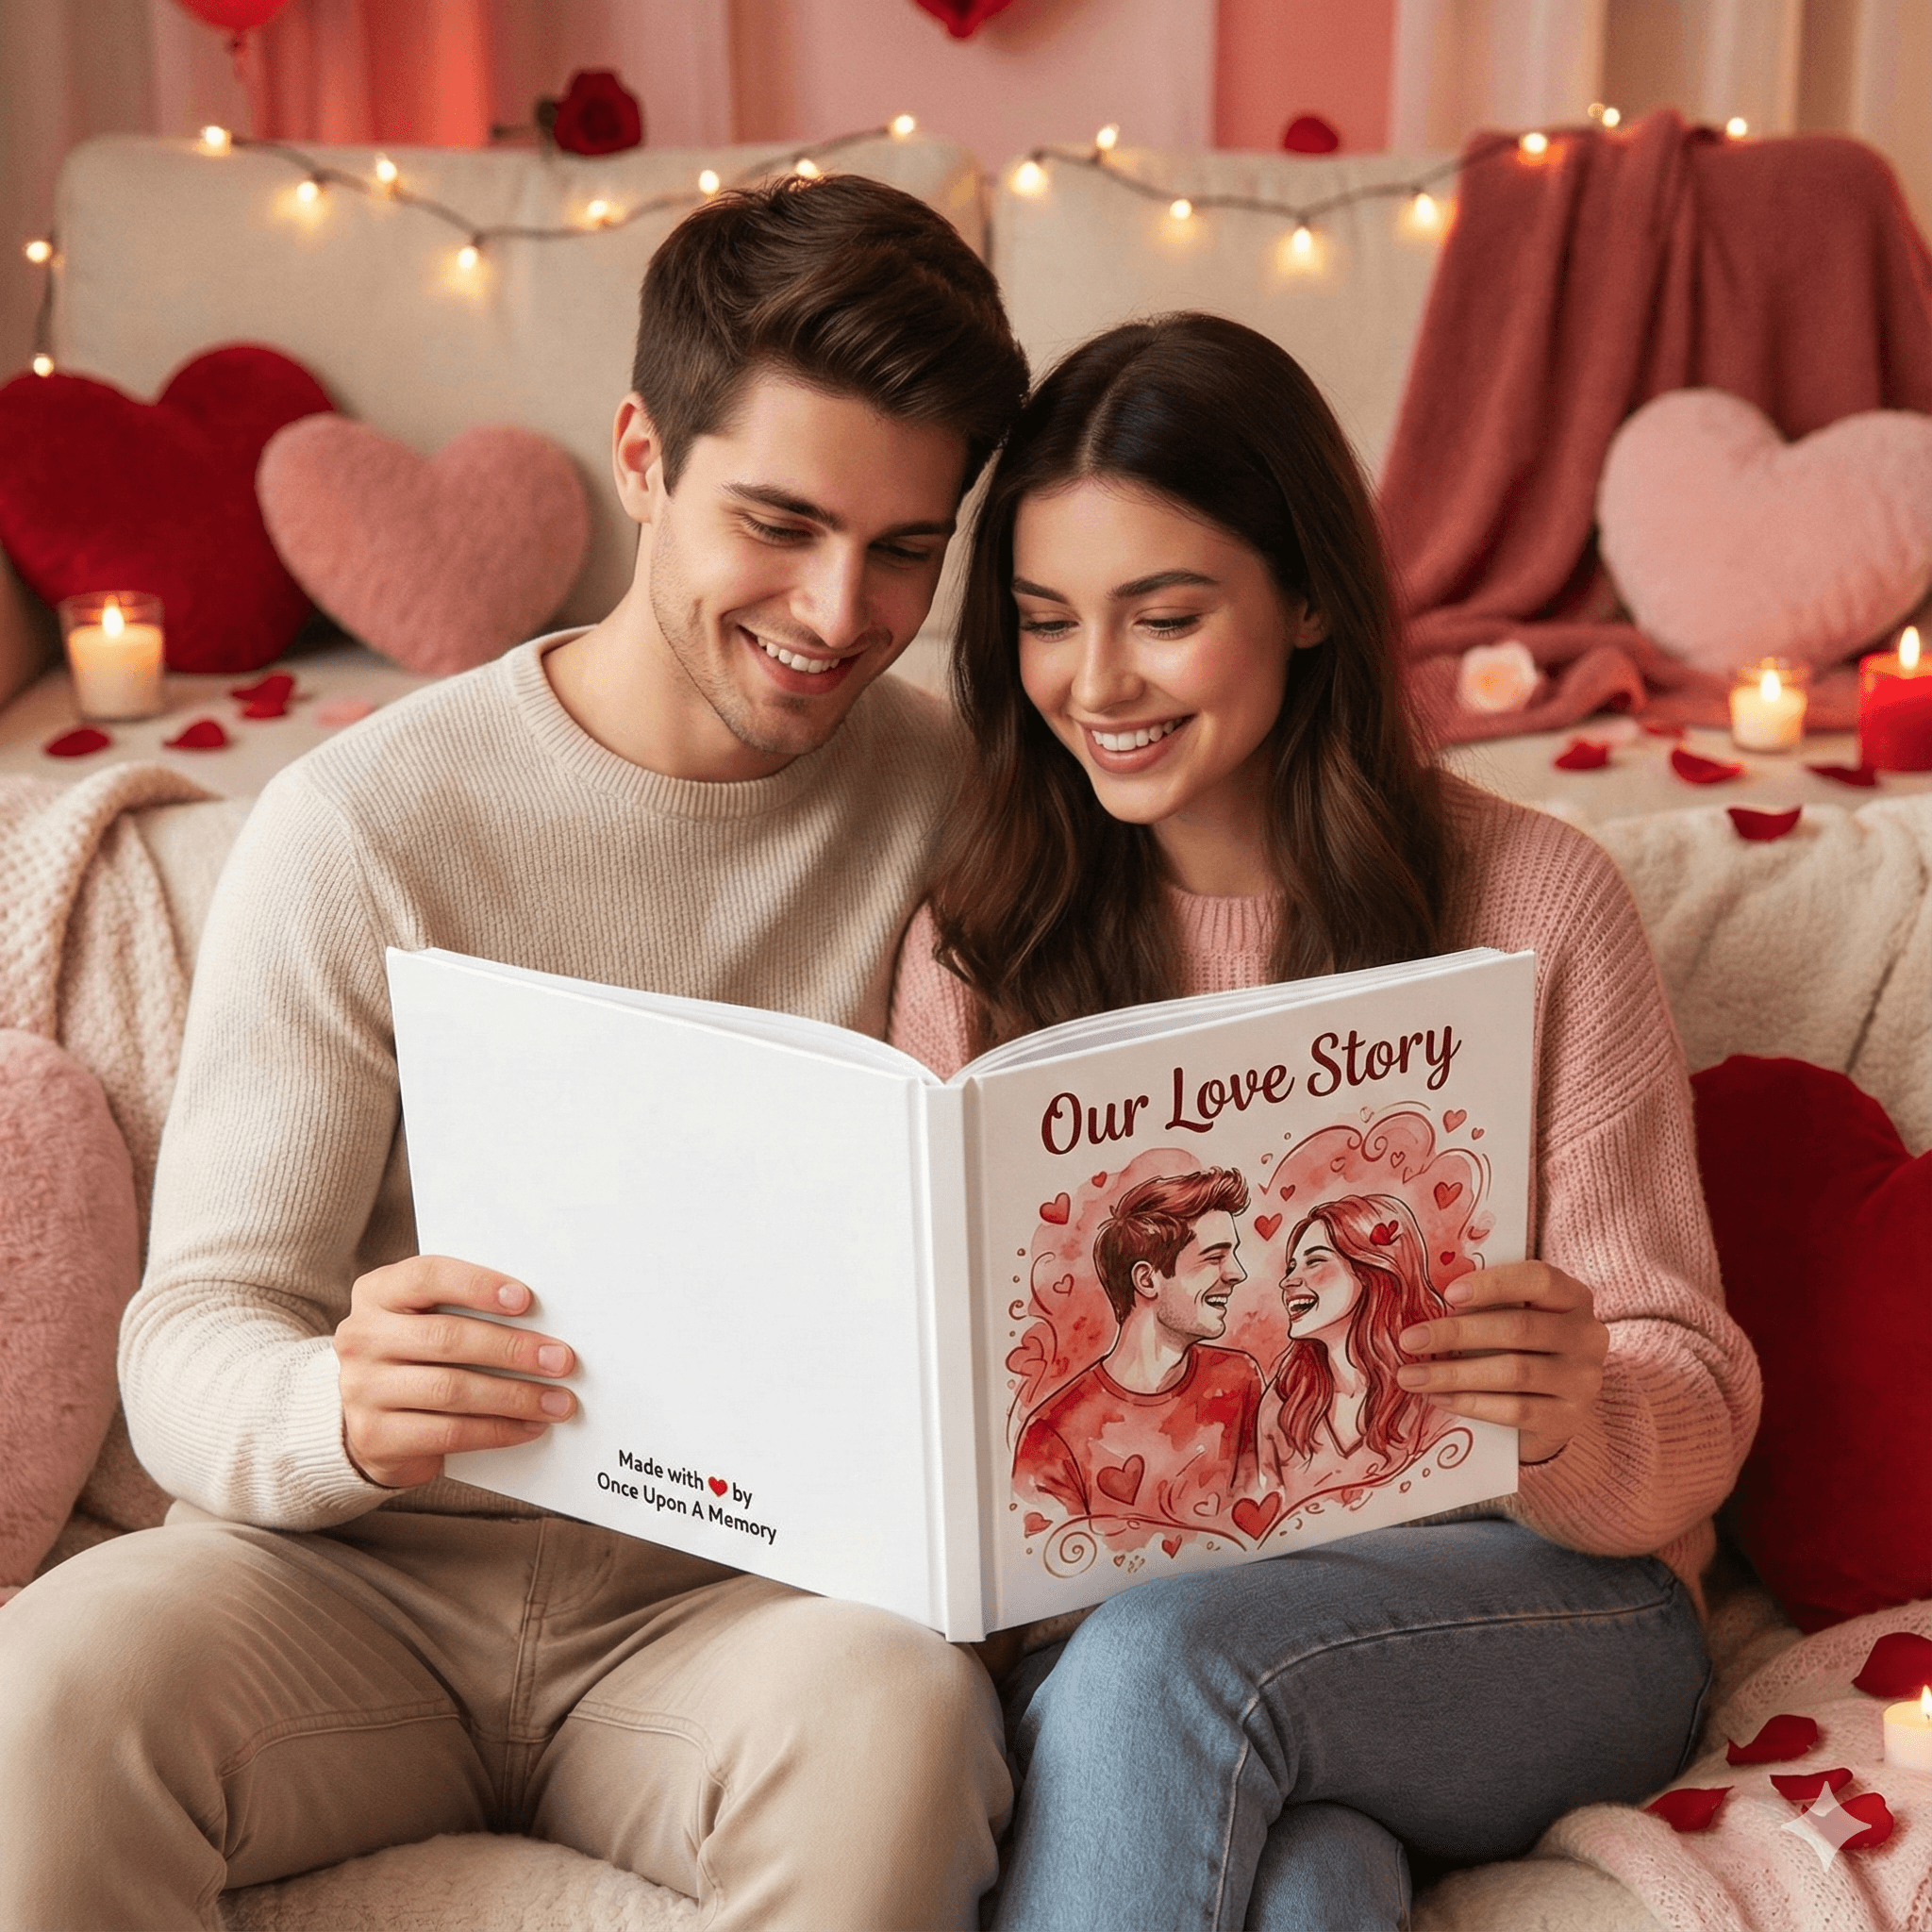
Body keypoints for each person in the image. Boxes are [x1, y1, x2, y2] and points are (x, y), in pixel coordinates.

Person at [0, 175, 1028, 1932]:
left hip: (730, 1611)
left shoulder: (960, 805)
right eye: (775, 521)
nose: (837, 608)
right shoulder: (362, 822)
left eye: (904, 550)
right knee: (47, 1688)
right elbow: (188, 1337)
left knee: (907, 1726)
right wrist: (332, 1402)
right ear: (641, 455)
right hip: (344, 1589)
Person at [887, 312, 1760, 1930]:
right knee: (1312, 1885)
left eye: (1163, 615)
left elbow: (1689, 1396)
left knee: (1173, 1659)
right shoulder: (977, 937)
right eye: (1043, 620)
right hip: (1134, 1658)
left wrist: (1574, 1403)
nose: (1097, 683)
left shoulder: (1529, 898)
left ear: (1302, 600)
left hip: (1539, 1614)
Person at [1012, 1166, 1263, 1537]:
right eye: (1214, 1257)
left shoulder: (1239, 1380)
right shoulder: (1052, 1437)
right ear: (1147, 1280)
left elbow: (1258, 1524)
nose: (1237, 1273)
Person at [1260, 1192, 1455, 1505]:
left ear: (1370, 1272)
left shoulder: (1436, 1392)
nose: (1288, 1282)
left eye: (1315, 1262)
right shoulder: (1282, 1403)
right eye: (1292, 1267)